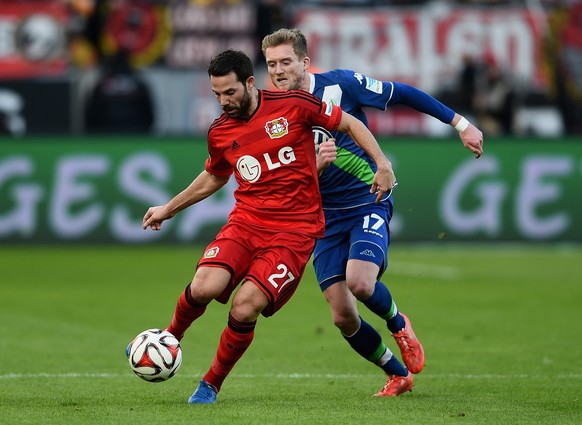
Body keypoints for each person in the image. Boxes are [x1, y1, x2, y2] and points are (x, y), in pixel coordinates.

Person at [135, 49, 396, 404]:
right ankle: (168, 338)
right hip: (246, 223)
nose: (223, 101)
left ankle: (210, 383)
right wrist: (169, 208)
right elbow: (215, 176)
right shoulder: (221, 132)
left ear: (249, 82)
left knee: (244, 307)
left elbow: (351, 123)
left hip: (294, 232)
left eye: (230, 92)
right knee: (204, 285)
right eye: (216, 95)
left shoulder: (294, 105)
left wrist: (382, 163)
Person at [261, 28, 484, 397]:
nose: (280, 71)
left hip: (368, 197)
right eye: (272, 65)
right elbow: (281, 182)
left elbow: (403, 93)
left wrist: (460, 123)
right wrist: (314, 168)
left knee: (360, 282)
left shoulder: (341, 86)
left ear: (304, 61)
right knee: (342, 316)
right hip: (324, 217)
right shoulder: (269, 114)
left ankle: (398, 323)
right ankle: (398, 375)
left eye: (286, 62)